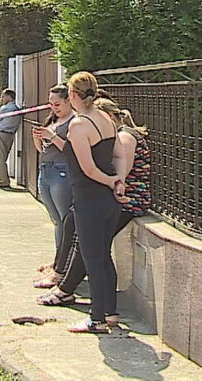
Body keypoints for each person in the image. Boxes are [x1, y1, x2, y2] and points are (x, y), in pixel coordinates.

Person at [36, 97, 151, 331]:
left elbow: (113, 169)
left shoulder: (124, 136)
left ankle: (90, 310)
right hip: (110, 195)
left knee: (92, 253)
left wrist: (112, 182)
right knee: (83, 237)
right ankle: (106, 311)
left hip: (122, 199)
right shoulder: (112, 135)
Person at [61, 72, 125, 334]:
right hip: (108, 201)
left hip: (89, 199)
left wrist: (110, 181)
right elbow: (118, 153)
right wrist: (118, 179)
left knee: (92, 259)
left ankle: (96, 319)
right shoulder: (106, 119)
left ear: (73, 95)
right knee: (104, 256)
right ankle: (110, 312)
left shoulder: (78, 125)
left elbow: (87, 168)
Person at [32, 85, 75, 263]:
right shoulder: (53, 121)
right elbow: (43, 150)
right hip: (46, 170)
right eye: (50, 104)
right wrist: (38, 139)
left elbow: (71, 151)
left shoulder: (74, 122)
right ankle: (59, 260)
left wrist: (52, 137)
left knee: (65, 219)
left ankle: (64, 262)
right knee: (56, 219)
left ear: (68, 101)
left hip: (61, 172)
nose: (54, 108)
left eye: (57, 104)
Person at [0, 88, 21, 189]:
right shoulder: (17, 109)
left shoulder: (5, 108)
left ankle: (4, 181)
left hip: (2, 134)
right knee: (3, 158)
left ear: (9, 97)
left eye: (3, 96)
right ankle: (3, 180)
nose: (2, 99)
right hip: (11, 135)